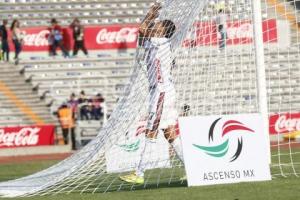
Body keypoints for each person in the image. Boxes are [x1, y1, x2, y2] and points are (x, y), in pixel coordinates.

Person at [120, 3, 184, 184]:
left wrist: (150, 14)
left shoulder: (159, 41)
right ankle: (191, 168)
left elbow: (141, 29)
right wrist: (152, 16)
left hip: (161, 92)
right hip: (167, 91)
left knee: (151, 131)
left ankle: (139, 174)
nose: (156, 25)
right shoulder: (155, 41)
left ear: (163, 32)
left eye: (160, 24)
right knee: (170, 134)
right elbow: (142, 34)